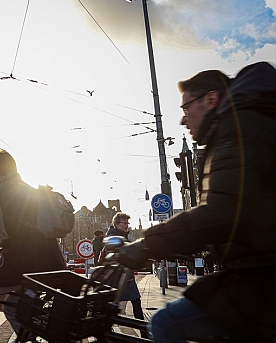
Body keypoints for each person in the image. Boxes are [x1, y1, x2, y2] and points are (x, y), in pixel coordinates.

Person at [118, 62, 276, 342]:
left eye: (185, 108)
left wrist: (147, 244)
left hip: (261, 280)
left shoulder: (238, 129)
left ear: (210, 99)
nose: (183, 119)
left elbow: (221, 212)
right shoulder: (250, 123)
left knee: (168, 323)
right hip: (257, 273)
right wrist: (183, 245)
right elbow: (245, 212)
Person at [0, 148, 66, 343]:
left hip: (26, 263)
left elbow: (2, 235)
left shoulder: (7, 191)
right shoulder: (27, 188)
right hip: (51, 261)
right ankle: (30, 340)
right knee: (10, 304)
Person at [104, 213, 147, 337]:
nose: (127, 226)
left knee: (133, 302)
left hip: (125, 276)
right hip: (119, 278)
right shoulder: (114, 237)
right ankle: (107, 330)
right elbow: (116, 257)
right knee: (114, 304)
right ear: (116, 224)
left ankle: (144, 333)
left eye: (127, 223)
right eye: (124, 223)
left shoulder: (122, 236)